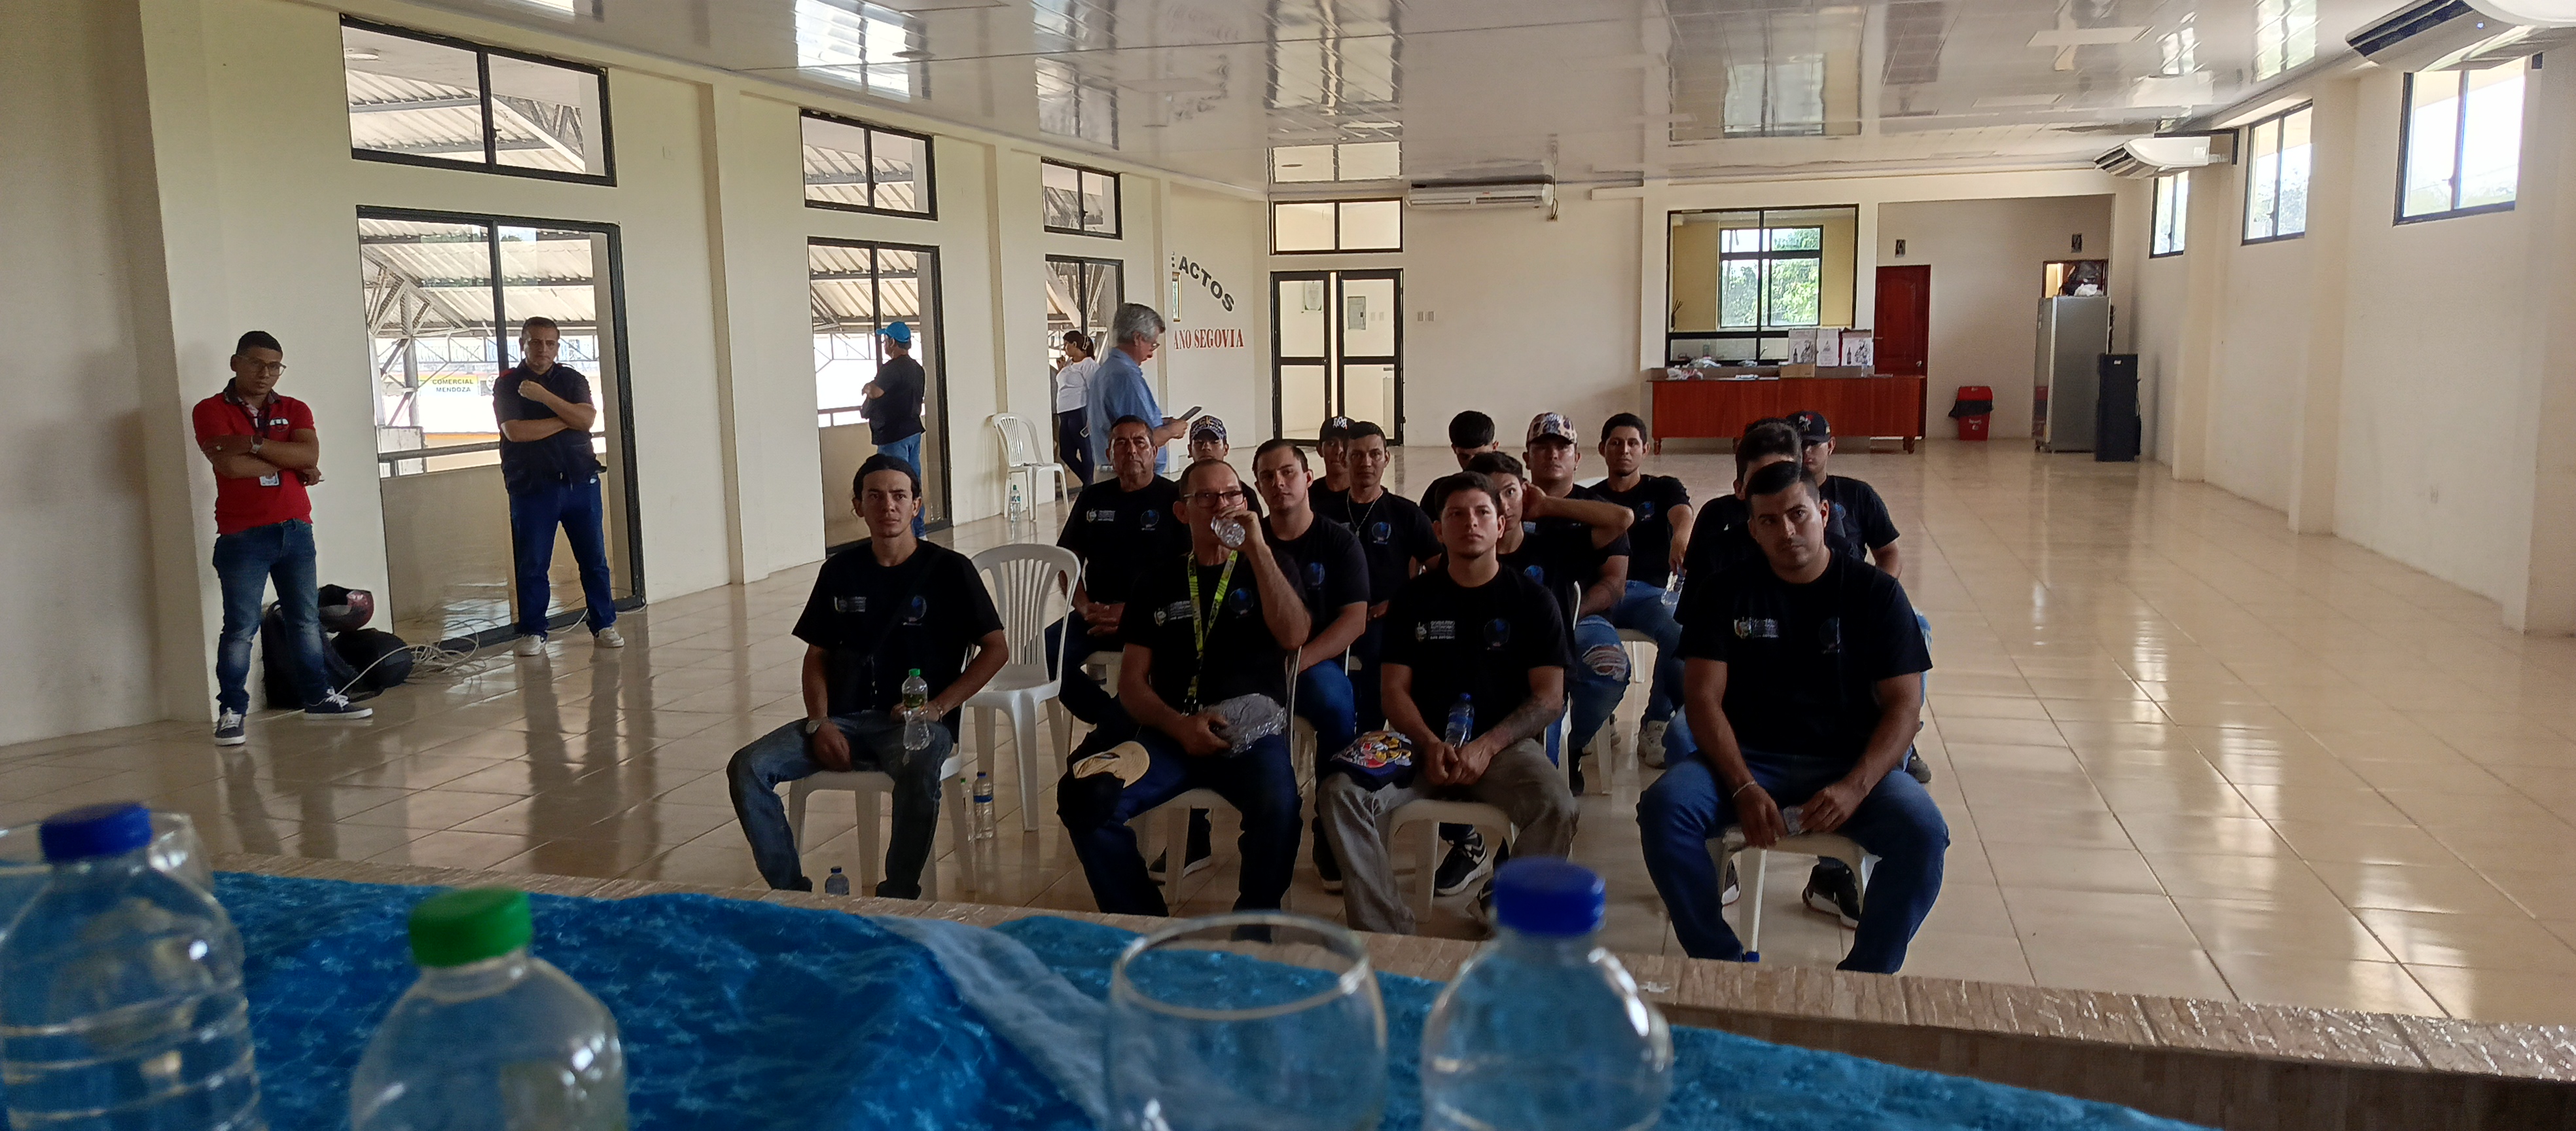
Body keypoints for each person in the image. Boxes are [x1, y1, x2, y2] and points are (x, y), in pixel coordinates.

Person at [1636, 459, 1944, 974]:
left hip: (1849, 762)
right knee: (1664, 809)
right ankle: (1721, 964)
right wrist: (1741, 785)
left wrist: (1855, 787)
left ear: (1823, 513)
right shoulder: (1724, 591)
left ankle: (1866, 977)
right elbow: (1703, 699)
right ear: (1753, 529)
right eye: (1769, 521)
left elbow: (1904, 708)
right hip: (1747, 758)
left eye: (1798, 514)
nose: (1787, 531)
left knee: (1924, 832)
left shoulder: (1876, 593)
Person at [725, 454, 1009, 897]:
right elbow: (816, 656)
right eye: (874, 496)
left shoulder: (951, 571)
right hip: (843, 721)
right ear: (858, 506)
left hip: (915, 725)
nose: (887, 506)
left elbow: (996, 649)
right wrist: (819, 722)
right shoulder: (840, 571)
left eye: (899, 496)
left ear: (916, 505)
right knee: (748, 767)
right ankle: (792, 892)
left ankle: (898, 893)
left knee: (919, 767)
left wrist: (939, 708)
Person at [1320, 471, 1579, 935]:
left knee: (1557, 806)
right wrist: (1427, 742)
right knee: (1340, 792)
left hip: (1502, 746)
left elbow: (1549, 699)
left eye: (1482, 513)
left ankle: (1515, 923)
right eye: (1456, 515)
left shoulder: (1533, 600)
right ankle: (1385, 933)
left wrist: (1488, 746)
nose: (1470, 523)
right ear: (1438, 530)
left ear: (1501, 525)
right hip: (1415, 743)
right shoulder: (1413, 600)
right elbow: (1393, 691)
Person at [1058, 458, 1311, 916]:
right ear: (1182, 511)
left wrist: (1259, 551)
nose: (1223, 506)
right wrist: (1178, 726)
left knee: (1280, 807)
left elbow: (1295, 636)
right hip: (1170, 734)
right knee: (1086, 799)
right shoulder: (1156, 580)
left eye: (1232, 495)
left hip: (1248, 737)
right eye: (1207, 497)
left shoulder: (1272, 568)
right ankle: (1146, 922)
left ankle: (1254, 923)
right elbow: (1132, 685)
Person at [192, 330, 372, 744]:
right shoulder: (210, 409)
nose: (266, 373)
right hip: (243, 536)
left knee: (305, 620)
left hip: (296, 530)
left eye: (275, 366)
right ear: (236, 363)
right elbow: (231, 467)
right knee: (240, 628)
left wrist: (253, 443)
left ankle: (319, 698)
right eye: (257, 364)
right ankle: (232, 711)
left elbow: (309, 455)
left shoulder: (295, 408)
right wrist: (286, 459)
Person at [1253, 439, 1368, 890]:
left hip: (1313, 661)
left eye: (1287, 473)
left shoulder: (1338, 542)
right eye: (1267, 476)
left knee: (1336, 704)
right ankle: (1200, 830)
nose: (1278, 483)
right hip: (1256, 664)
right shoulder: (1252, 542)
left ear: (1308, 478)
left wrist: (1299, 663)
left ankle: (1329, 825)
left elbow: (1354, 620)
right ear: (1258, 486)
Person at [1506, 414, 1637, 793]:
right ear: (1527, 457)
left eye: (1562, 448)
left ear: (1577, 458)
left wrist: (1549, 507)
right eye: (1542, 447)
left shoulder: (1595, 509)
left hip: (1582, 618)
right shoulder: (1507, 504)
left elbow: (1614, 584)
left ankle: (1575, 744)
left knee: (1610, 669)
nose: (1553, 455)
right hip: (1512, 619)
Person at [495, 316, 620, 656]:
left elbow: (587, 419)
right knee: (534, 564)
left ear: (557, 346)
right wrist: (566, 419)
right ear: (523, 344)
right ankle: (534, 630)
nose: (543, 349)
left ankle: (604, 624)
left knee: (594, 560)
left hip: (581, 483)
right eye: (536, 342)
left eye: (550, 343)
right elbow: (516, 432)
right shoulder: (508, 384)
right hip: (533, 488)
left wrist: (545, 398)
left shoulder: (572, 379)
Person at [1050, 417, 1180, 733]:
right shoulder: (1093, 498)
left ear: (1154, 452)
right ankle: (1116, 722)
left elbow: (1187, 570)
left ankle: (1136, 724)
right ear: (1109, 454)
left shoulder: (1175, 498)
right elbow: (1067, 562)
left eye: (1139, 442)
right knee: (1042, 656)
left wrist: (1135, 612)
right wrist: (1083, 607)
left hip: (1155, 617)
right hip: (1097, 614)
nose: (1130, 450)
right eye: (1121, 443)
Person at [1311, 421, 1439, 732]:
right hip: (1332, 617)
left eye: (1374, 454)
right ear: (1345, 459)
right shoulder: (1322, 514)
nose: (1365, 463)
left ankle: (1368, 738)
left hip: (1384, 619)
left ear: (1386, 459)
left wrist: (1399, 603)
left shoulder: (1406, 514)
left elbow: (1442, 571)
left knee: (1381, 659)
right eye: (1356, 455)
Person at [1589, 413, 1694, 766]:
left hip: (1649, 594)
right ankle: (1598, 716)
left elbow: (1682, 514)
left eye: (1633, 443)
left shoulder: (1663, 488)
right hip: (1603, 593)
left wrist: (1681, 536)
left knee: (1678, 632)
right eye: (1616, 443)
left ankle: (1656, 723)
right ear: (1602, 449)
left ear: (1645, 449)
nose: (1624, 450)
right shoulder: (1591, 498)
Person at [1787, 410, 1903, 581]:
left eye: (1814, 443)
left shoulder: (1858, 494)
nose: (1806, 451)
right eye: (1799, 444)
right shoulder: (1772, 499)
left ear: (1830, 446)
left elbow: (1889, 552)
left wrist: (1879, 589)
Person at [1085, 303, 1194, 476]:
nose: (1151, 353)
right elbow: (1139, 443)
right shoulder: (1126, 377)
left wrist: (1158, 422)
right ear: (1137, 338)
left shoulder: (1107, 371)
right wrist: (1171, 431)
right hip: (1129, 475)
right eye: (1152, 344)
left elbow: (1123, 422)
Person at [863, 321, 929, 537]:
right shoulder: (917, 369)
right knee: (912, 483)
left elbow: (877, 392)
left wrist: (868, 388)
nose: (884, 344)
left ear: (892, 342)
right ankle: (919, 532)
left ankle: (899, 533)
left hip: (894, 435)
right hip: (913, 431)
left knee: (893, 485)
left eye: (885, 339)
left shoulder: (891, 368)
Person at [1423, 410, 1501, 510]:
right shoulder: (1438, 492)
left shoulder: (1507, 489)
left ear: (1494, 448)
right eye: (1465, 457)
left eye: (1480, 456)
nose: (1472, 463)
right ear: (1454, 449)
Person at [1052, 331, 1099, 484]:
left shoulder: (1088, 365)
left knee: (1085, 452)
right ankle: (1088, 483)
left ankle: (1089, 486)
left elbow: (1095, 390)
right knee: (1066, 453)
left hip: (1079, 412)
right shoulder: (1070, 364)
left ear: (1075, 344)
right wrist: (1061, 369)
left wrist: (1092, 416)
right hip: (1064, 413)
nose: (1064, 348)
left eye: (1067, 344)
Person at [1314, 416, 1355, 501]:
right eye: (1331, 443)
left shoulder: (1369, 495)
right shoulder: (1306, 495)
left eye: (1345, 444)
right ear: (1319, 449)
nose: (1339, 450)